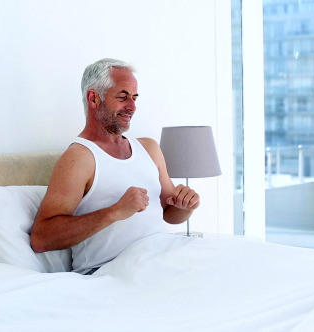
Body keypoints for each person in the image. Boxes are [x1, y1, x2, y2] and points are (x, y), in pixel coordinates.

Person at [30, 58, 200, 274]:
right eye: (122, 97)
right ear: (93, 98)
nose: (132, 107)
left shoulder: (149, 148)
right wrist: (115, 211)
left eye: (135, 98)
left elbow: (170, 214)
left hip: (160, 258)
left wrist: (185, 206)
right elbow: (41, 238)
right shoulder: (79, 158)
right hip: (111, 271)